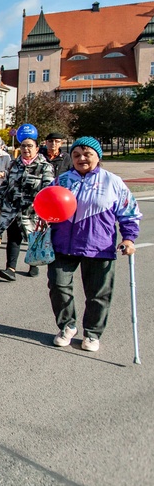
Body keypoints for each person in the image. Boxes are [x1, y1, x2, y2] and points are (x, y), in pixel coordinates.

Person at [48, 137, 141, 351]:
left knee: (98, 293)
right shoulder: (62, 181)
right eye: (76, 155)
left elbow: (129, 213)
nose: (81, 158)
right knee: (58, 285)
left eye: (87, 154)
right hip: (63, 245)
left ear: (98, 156)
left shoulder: (112, 182)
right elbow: (48, 205)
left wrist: (129, 238)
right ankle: (67, 326)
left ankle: (92, 333)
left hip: (98, 246)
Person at [0, 135, 54, 281]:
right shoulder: (15, 164)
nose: (26, 149)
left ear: (37, 149)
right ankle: (10, 268)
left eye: (29, 146)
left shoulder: (45, 166)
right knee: (13, 238)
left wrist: (45, 211)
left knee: (33, 238)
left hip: (33, 211)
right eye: (23, 146)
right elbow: (6, 185)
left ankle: (33, 264)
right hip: (13, 209)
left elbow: (49, 189)